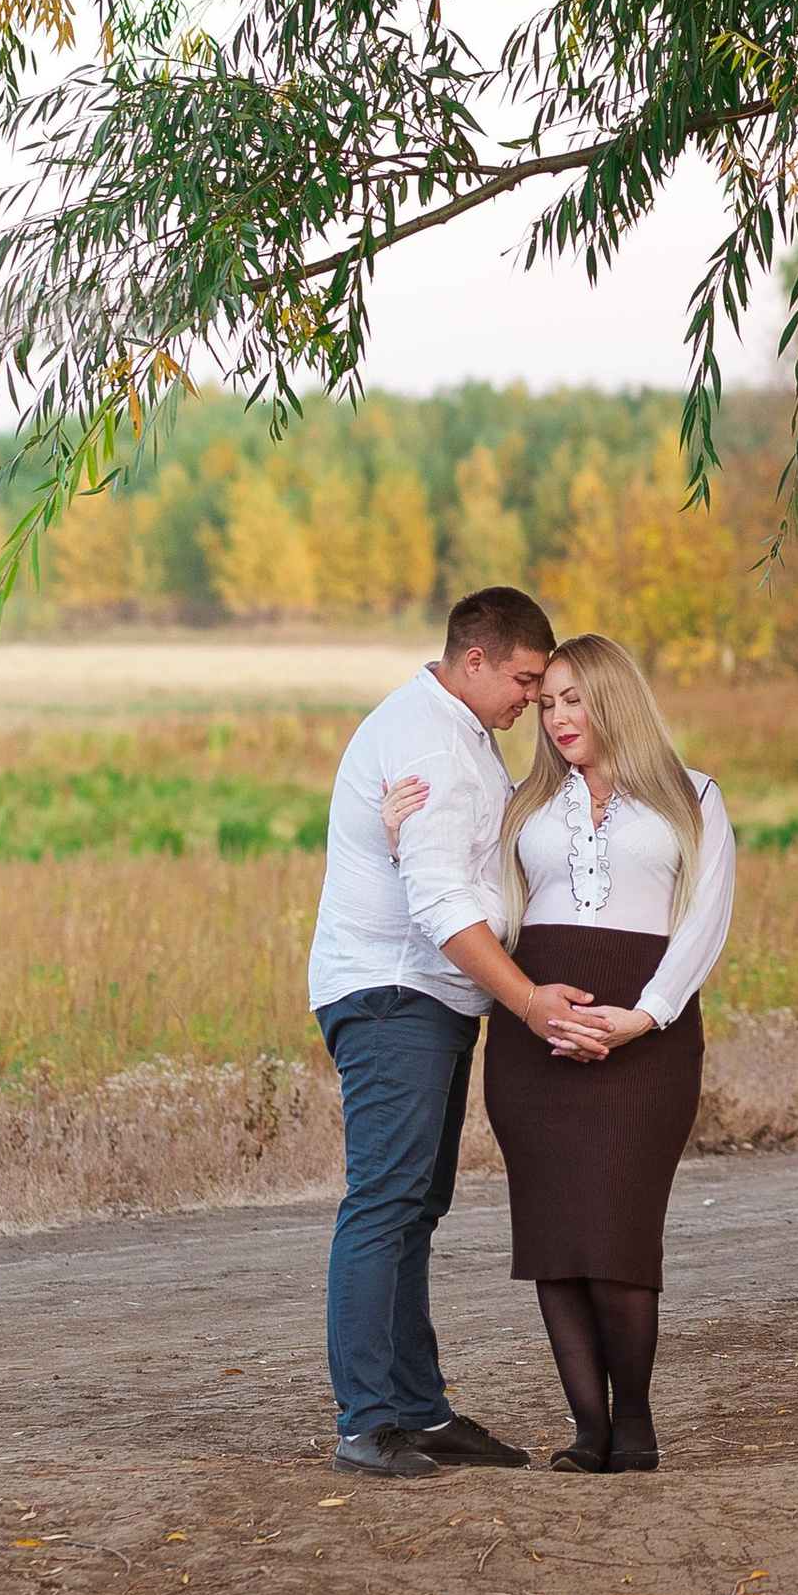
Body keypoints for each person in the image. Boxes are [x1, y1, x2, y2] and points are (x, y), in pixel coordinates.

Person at [382, 632, 734, 1473]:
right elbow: (481, 912)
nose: (557, 717)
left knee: (617, 1235)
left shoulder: (692, 796)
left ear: (616, 697)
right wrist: (403, 843)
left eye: (573, 698)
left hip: (647, 1042)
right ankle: (588, 1430)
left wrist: (641, 1018)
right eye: (545, 704)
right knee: (554, 1239)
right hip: (533, 1044)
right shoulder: (524, 805)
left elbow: (706, 919)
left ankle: (636, 1430)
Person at [307, 583, 579, 1480]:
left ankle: (419, 1414)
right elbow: (435, 902)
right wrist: (529, 999)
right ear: (474, 662)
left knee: (414, 1207)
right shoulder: (430, 737)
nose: (532, 701)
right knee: (385, 1202)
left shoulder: (460, 733)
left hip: (428, 998)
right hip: (394, 994)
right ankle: (368, 1423)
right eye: (525, 680)